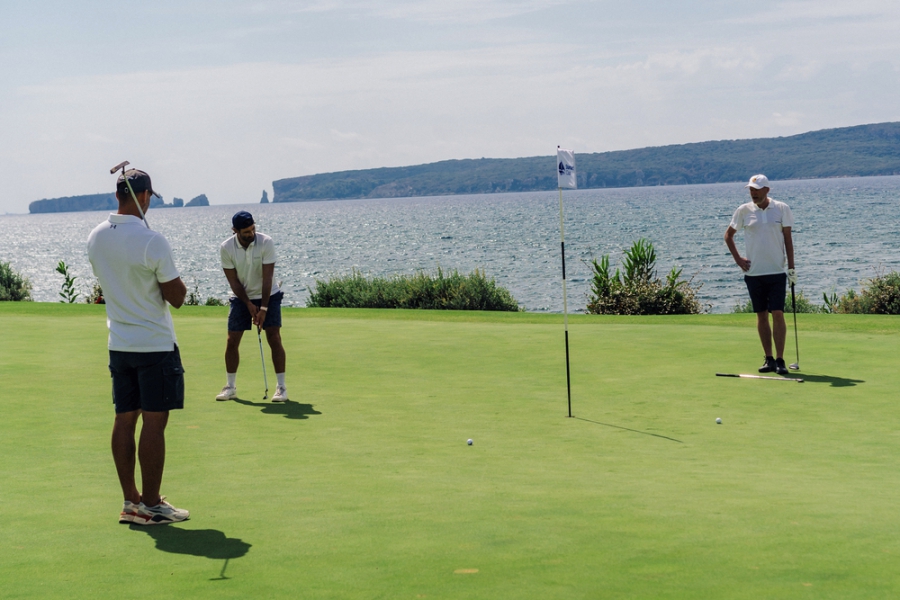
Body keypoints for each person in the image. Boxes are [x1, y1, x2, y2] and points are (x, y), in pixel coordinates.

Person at [87, 168, 190, 525]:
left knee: (124, 419)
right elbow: (176, 297)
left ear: (118, 195)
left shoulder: (95, 237)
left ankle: (131, 501)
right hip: (155, 345)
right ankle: (151, 505)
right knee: (154, 424)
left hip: (120, 344)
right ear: (143, 196)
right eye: (150, 198)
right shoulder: (152, 240)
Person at [725, 174, 796, 375]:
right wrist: (738, 260)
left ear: (767, 190)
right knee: (761, 315)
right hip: (754, 272)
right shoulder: (743, 211)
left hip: (776, 271)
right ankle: (769, 359)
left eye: (757, 189)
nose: (753, 193)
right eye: (751, 189)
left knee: (778, 313)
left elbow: (788, 239)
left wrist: (791, 268)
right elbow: (728, 236)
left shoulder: (782, 209)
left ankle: (781, 359)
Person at [216, 211, 288, 402]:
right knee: (232, 340)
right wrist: (248, 304)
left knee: (273, 337)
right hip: (241, 297)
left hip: (269, 295)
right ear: (235, 231)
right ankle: (230, 387)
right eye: (246, 231)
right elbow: (234, 282)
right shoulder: (226, 247)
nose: (251, 234)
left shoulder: (266, 242)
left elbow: (267, 279)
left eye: (253, 229)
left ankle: (281, 387)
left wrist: (263, 309)